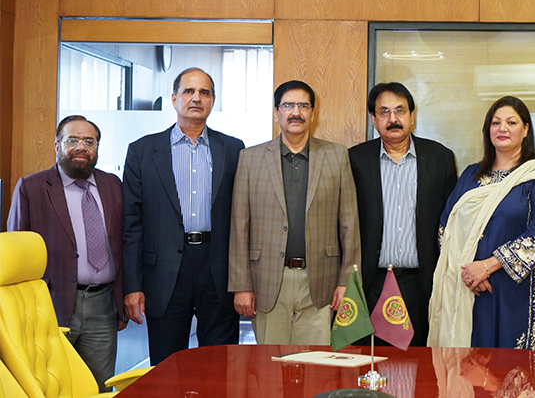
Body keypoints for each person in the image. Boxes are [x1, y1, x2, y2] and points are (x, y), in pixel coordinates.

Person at [428, 96, 535, 362]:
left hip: (520, 292)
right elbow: (448, 226)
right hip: (473, 288)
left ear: (525, 129)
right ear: (488, 130)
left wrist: (487, 266)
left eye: (511, 122)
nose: (503, 128)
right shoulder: (471, 175)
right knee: (473, 368)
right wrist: (468, 271)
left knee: (515, 371)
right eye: (496, 122)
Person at [122, 67, 244, 365]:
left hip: (217, 269)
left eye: (204, 92)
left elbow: (243, 219)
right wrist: (133, 286)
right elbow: (131, 225)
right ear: (174, 99)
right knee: (166, 365)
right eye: (188, 91)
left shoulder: (234, 149)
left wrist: (244, 280)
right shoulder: (142, 151)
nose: (196, 98)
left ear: (213, 101)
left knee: (218, 363)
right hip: (163, 271)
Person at [228, 80, 360, 344]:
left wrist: (347, 281)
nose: (295, 112)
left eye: (303, 105)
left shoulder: (336, 156)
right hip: (267, 281)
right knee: (270, 368)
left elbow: (349, 223)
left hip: (321, 279)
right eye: (288, 105)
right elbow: (239, 226)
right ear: (277, 112)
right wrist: (241, 285)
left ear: (313, 113)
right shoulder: (250, 158)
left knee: (317, 366)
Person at [7, 115, 125, 391]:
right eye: (72, 140)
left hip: (103, 305)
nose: (81, 147)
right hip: (50, 303)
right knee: (50, 386)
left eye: (89, 141)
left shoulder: (112, 185)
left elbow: (125, 243)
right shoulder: (31, 187)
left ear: (97, 148)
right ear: (57, 146)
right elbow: (17, 256)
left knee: (100, 385)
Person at [349, 82, 457, 347]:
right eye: (384, 112)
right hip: (369, 283)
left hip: (420, 284)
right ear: (373, 119)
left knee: (419, 368)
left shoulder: (440, 158)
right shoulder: (355, 160)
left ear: (412, 115)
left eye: (400, 110)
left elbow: (452, 223)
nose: (393, 119)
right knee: (368, 365)